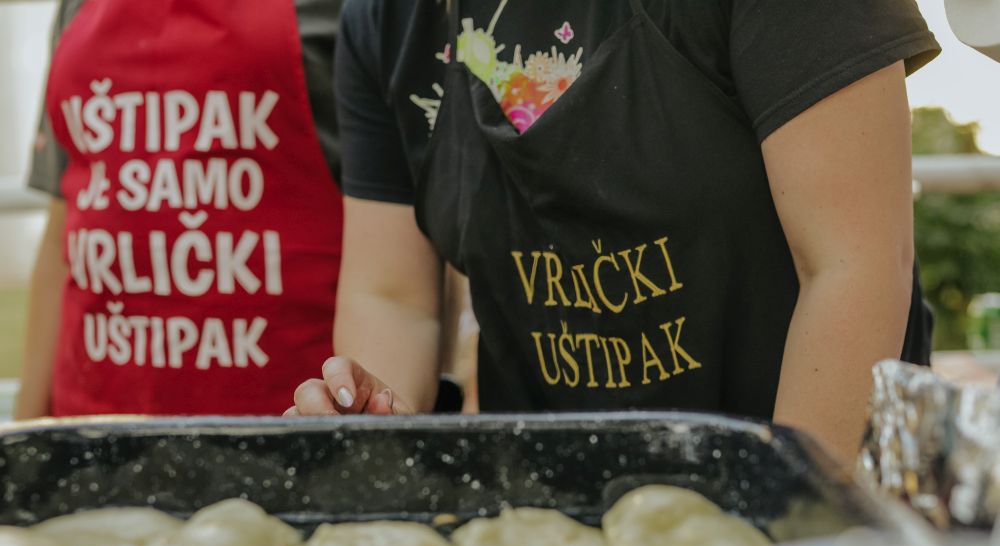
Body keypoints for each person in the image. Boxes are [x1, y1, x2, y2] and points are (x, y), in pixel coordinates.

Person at [289, 0, 941, 463]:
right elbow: (392, 298)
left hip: (807, 481)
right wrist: (371, 421)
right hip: (554, 504)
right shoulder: (384, 18)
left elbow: (853, 265)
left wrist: (781, 530)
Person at [16, 0, 346, 418]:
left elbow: (390, 269)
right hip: (92, 425)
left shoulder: (343, 12)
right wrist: (27, 439)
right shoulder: (77, 8)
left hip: (285, 425)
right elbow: (61, 237)